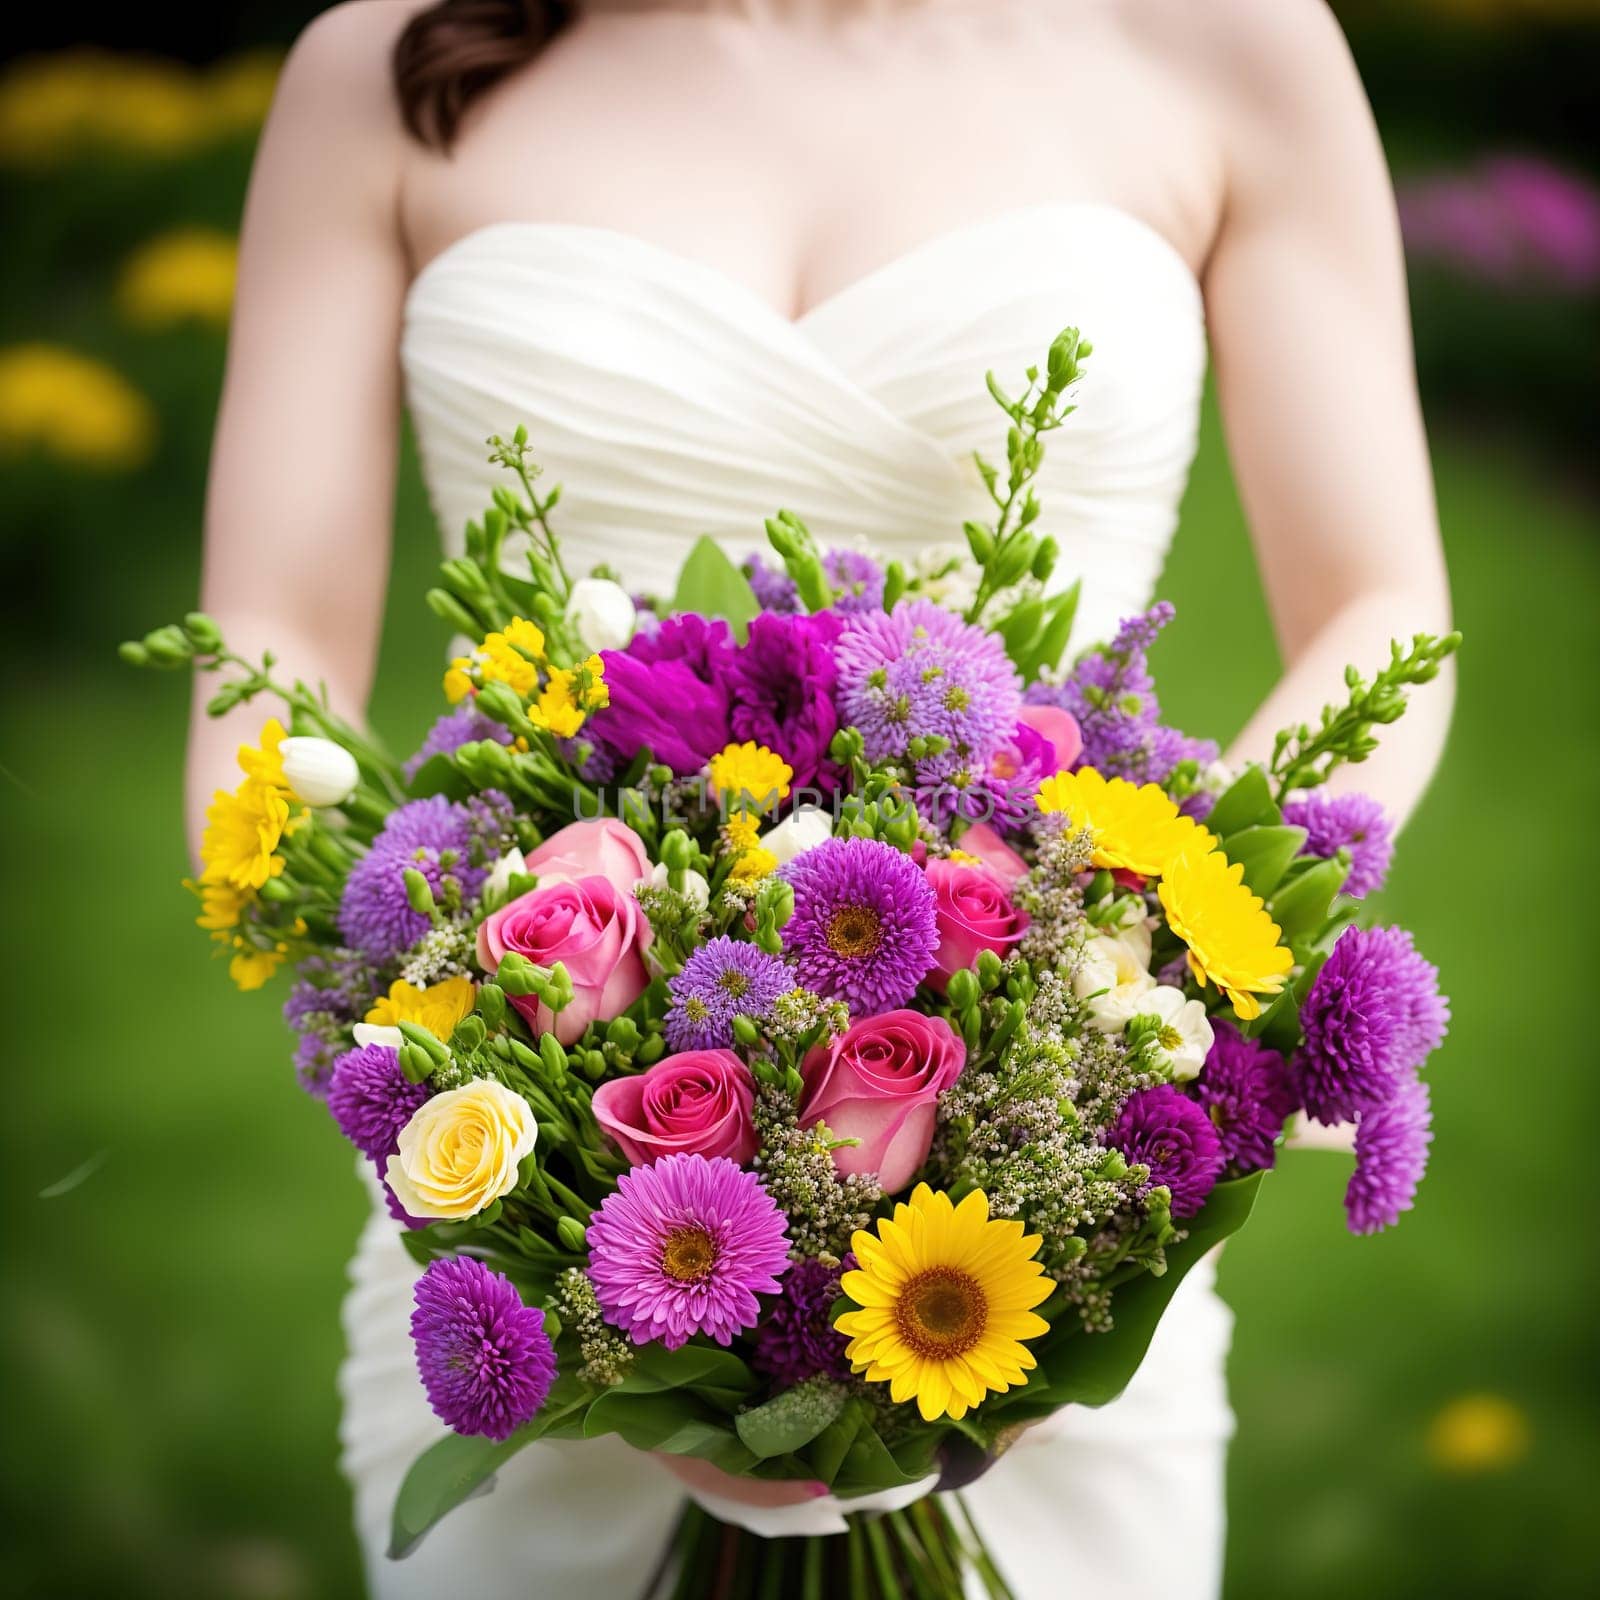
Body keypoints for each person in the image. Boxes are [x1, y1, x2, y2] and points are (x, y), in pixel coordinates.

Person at [187, 2, 1454, 1595]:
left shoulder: (1228, 39)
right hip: (525, 1218)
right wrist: (446, 1080)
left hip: (1063, 1158)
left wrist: (1168, 970)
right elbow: (265, 632)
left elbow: (1382, 606)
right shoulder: (382, 62)